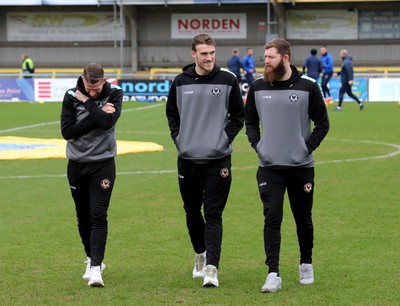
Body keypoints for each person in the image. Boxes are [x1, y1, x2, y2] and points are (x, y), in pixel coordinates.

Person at [244, 38, 330, 293]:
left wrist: (306, 147)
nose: (266, 61)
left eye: (270, 57)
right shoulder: (257, 87)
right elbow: (250, 121)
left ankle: (306, 263)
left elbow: (322, 124)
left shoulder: (308, 86)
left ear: (285, 58)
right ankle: (273, 273)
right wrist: (258, 145)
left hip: (301, 166)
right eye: (265, 56)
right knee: (272, 218)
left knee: (303, 219)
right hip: (269, 167)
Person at [166, 33, 244, 288]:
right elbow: (172, 115)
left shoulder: (228, 79)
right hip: (187, 158)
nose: (209, 58)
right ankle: (200, 254)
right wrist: (179, 139)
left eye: (212, 53)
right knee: (191, 212)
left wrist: (223, 139)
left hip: (218, 160)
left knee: (213, 214)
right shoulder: (179, 82)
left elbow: (238, 116)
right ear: (193, 55)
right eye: (204, 54)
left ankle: (212, 268)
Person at [60, 63, 123, 287]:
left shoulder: (115, 93)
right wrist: (96, 112)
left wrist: (87, 103)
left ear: (104, 81)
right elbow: (67, 132)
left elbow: (107, 124)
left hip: (103, 164)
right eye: (88, 88)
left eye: (97, 88)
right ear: (82, 80)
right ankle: (90, 257)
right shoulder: (69, 96)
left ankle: (96, 268)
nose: (93, 92)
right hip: (77, 164)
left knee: (98, 214)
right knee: (83, 216)